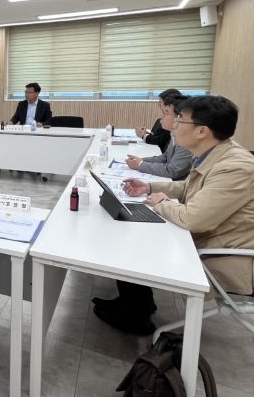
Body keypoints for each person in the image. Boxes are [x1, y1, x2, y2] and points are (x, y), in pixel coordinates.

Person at [93, 95, 254, 335]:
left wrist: (161, 201)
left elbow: (193, 218)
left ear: (202, 131)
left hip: (225, 253)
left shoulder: (235, 167)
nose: (173, 125)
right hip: (208, 237)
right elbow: (187, 187)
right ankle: (136, 304)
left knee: (135, 239)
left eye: (180, 120)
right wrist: (149, 187)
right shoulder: (215, 153)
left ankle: (135, 316)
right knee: (132, 230)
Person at [125, 94, 192, 180]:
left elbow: (173, 171)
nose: (161, 116)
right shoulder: (174, 134)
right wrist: (141, 160)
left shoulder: (186, 140)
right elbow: (165, 157)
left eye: (166, 113)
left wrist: (141, 164)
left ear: (179, 117)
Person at [135, 88, 182, 153]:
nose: (159, 104)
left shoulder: (173, 127)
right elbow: (156, 135)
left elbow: (160, 140)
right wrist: (146, 133)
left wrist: (143, 135)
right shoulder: (162, 121)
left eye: (161, 102)